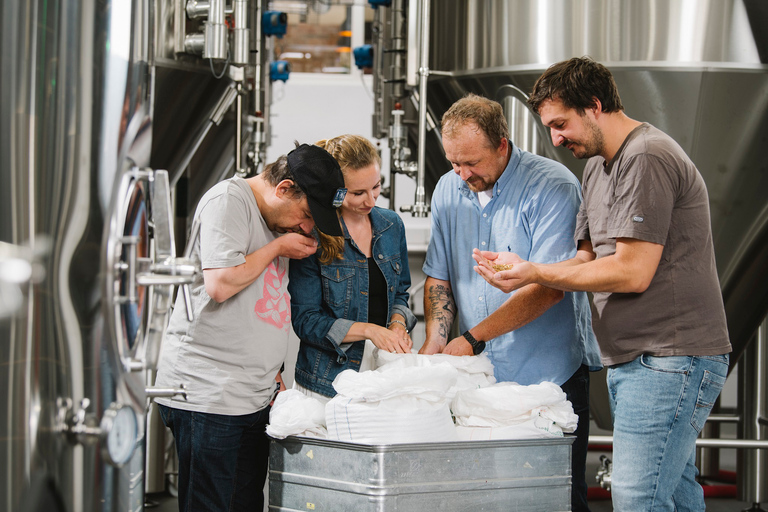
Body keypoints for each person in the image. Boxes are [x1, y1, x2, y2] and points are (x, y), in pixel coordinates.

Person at [475, 57, 732, 511]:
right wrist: (520, 270)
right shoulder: (596, 167)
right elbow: (584, 261)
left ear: (594, 105)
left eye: (561, 124)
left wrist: (534, 270)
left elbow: (632, 271)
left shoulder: (646, 156)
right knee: (672, 496)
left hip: (671, 356)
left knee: (637, 498)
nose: (555, 139)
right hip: (635, 359)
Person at [419, 93, 601, 512]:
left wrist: (471, 338)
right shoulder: (449, 189)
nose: (462, 173)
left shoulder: (552, 187)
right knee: (483, 497)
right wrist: (435, 337)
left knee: (553, 499)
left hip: (547, 377)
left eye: (472, 163)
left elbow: (552, 286)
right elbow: (440, 273)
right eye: (453, 163)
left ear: (502, 145)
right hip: (477, 380)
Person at [154, 144, 346, 512]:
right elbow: (221, 284)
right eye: (307, 215)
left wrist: (272, 373)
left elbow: (259, 306)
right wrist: (277, 247)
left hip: (253, 396)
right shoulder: (229, 200)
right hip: (209, 397)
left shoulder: (278, 223)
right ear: (285, 188)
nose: (307, 228)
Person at [288, 134, 416, 401]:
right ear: (336, 190)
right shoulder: (314, 234)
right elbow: (306, 321)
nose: (370, 200)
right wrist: (368, 330)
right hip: (326, 383)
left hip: (384, 373)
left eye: (376, 187)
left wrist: (397, 323)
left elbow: (401, 293)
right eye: (358, 193)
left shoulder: (392, 225)